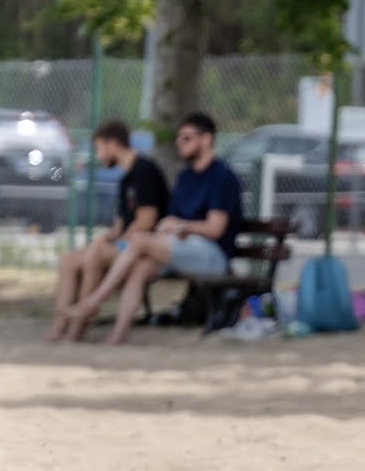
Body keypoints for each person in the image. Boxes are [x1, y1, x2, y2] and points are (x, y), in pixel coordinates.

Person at [66, 112, 244, 345]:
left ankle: (93, 301)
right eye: (178, 138)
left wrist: (181, 226)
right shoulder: (186, 177)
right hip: (180, 248)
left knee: (140, 240)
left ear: (207, 139)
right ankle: (118, 336)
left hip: (212, 256)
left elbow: (215, 229)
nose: (179, 143)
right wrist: (169, 228)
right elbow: (170, 220)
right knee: (140, 268)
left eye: (187, 138)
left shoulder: (222, 177)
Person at [48, 120, 170, 342]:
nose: (99, 155)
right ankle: (60, 325)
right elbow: (122, 224)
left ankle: (79, 325)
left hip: (144, 248)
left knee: (96, 252)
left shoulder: (143, 171)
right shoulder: (126, 178)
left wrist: (115, 243)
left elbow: (146, 221)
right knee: (69, 260)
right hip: (125, 243)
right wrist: (108, 238)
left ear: (112, 144)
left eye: (99, 148)